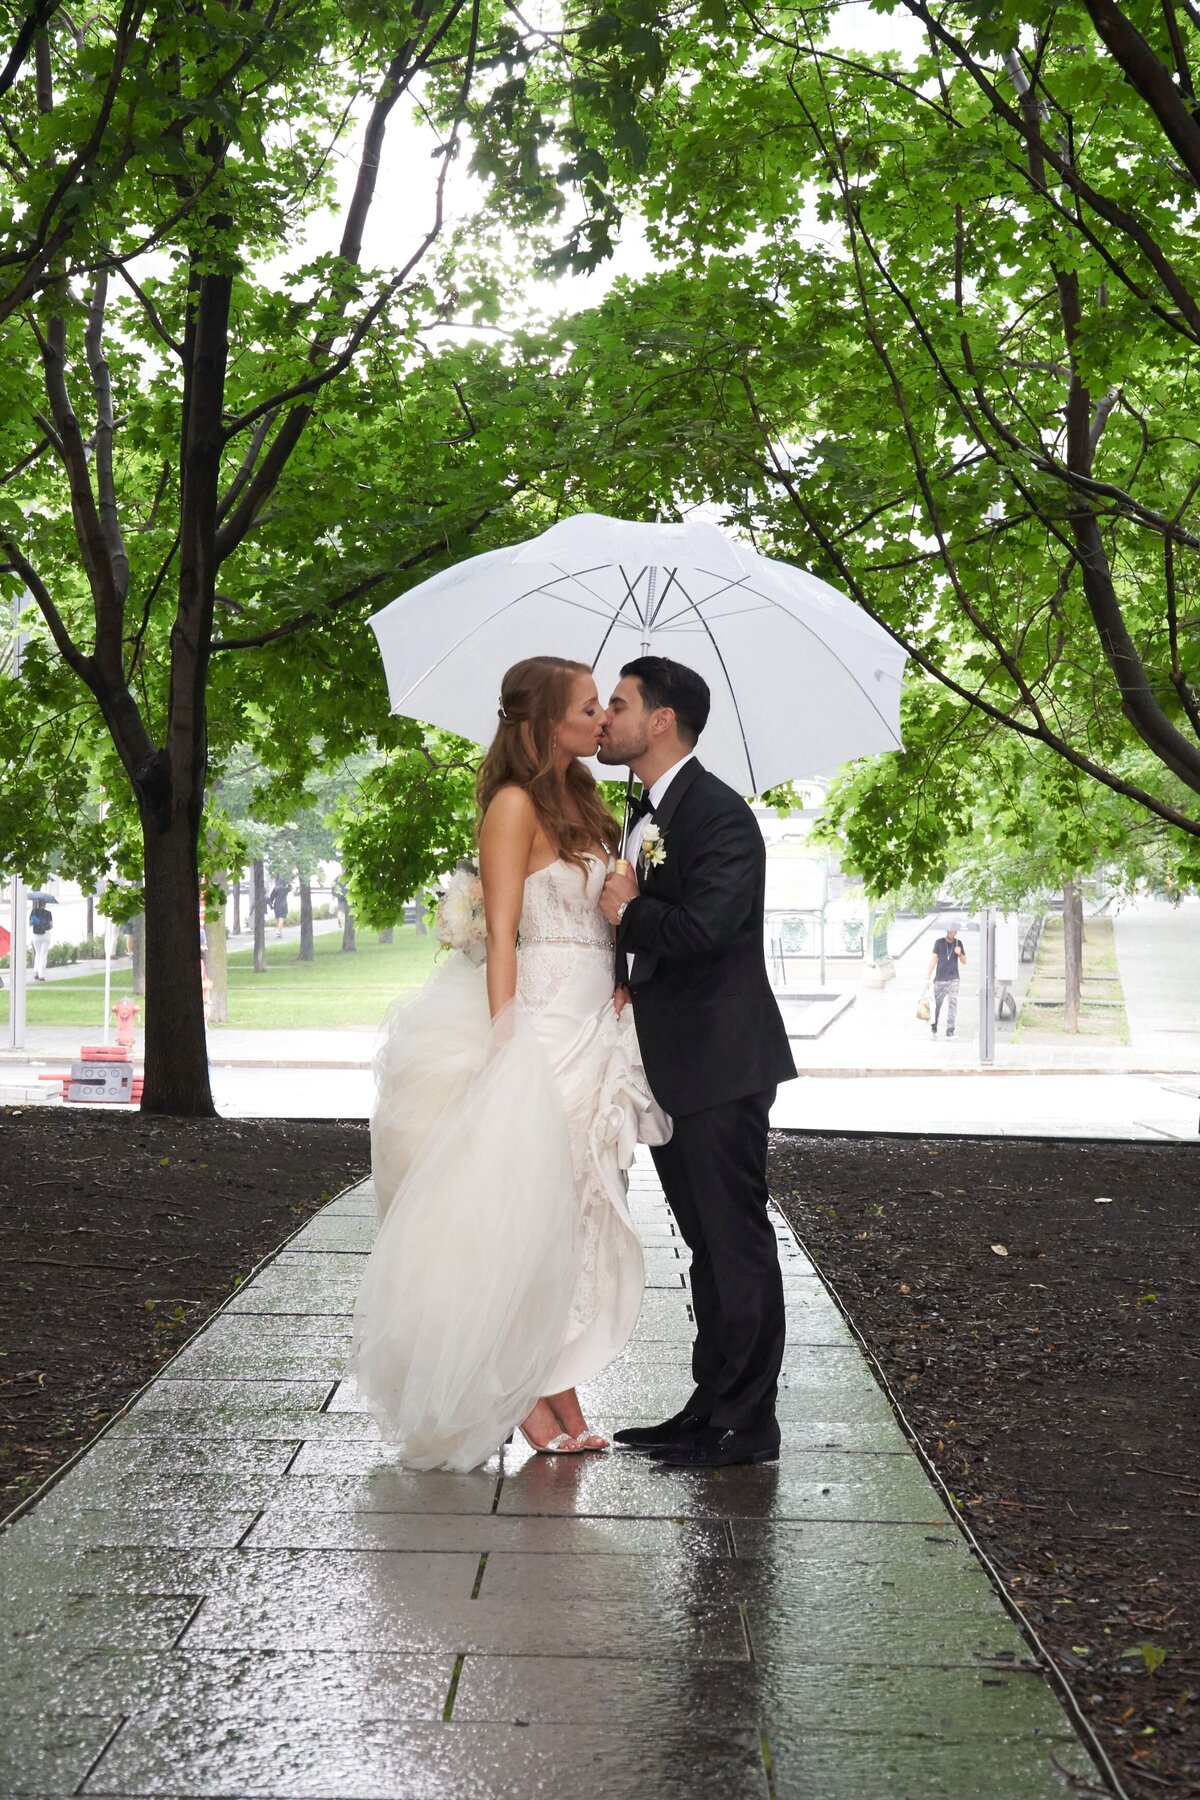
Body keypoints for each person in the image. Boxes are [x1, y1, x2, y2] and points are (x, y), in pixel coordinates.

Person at [352, 656, 669, 1471]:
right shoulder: (514, 805)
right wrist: (504, 1040)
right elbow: (501, 934)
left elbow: (608, 917)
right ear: (545, 720)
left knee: (574, 1209)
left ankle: (555, 1380)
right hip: (539, 1028)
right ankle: (523, 1392)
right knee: (524, 1211)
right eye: (589, 706)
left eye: (606, 706)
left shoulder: (589, 803)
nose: (603, 719)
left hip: (595, 1021)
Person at [597, 657, 796, 1470]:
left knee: (735, 1240)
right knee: (703, 1246)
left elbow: (709, 930)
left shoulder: (719, 815)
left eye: (617, 705)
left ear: (662, 721)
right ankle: (711, 1404)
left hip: (723, 1063)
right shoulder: (643, 811)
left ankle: (749, 1424)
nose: (603, 720)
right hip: (676, 1064)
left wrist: (631, 912)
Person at [925, 922, 966, 1038]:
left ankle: (950, 1029)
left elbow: (964, 961)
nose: (951, 934)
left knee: (953, 1002)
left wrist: (959, 954)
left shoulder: (959, 944)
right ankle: (934, 1024)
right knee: (937, 1005)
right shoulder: (939, 943)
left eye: (953, 932)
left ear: (956, 932)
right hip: (940, 979)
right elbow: (933, 959)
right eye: (949, 931)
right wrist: (928, 976)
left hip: (954, 979)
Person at [29, 897, 53, 982]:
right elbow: (51, 926)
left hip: (36, 935)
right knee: (43, 955)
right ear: (45, 904)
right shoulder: (48, 913)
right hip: (45, 935)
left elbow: (30, 923)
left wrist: (37, 922)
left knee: (38, 954)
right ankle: (41, 975)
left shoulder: (33, 912)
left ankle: (35, 971)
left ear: (38, 903)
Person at [268, 875, 291, 940]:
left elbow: (271, 897)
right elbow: (290, 888)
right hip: (283, 904)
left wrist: (271, 904)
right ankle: (278, 931)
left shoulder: (275, 888)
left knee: (277, 917)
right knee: (282, 918)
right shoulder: (285, 889)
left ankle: (279, 932)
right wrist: (288, 882)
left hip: (276, 904)